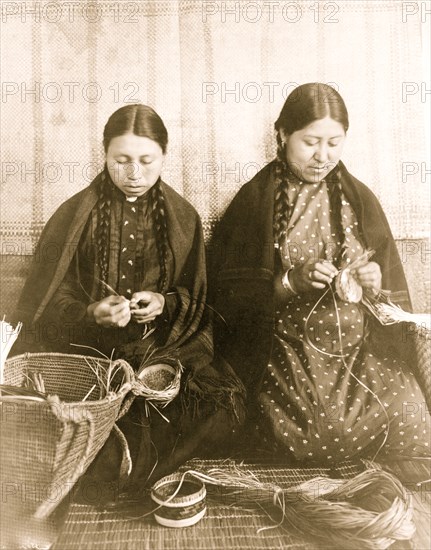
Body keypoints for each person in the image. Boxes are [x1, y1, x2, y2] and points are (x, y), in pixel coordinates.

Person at [12, 104, 245, 498]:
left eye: (146, 160)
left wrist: (164, 303)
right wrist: (91, 312)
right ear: (103, 156)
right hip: (87, 356)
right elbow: (49, 299)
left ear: (164, 157)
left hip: (162, 354)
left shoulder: (183, 217)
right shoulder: (73, 217)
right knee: (61, 415)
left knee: (226, 410)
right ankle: (126, 467)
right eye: (121, 160)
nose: (134, 173)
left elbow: (198, 299)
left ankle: (116, 465)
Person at [209, 83, 429, 463]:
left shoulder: (358, 198)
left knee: (412, 415)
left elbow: (391, 302)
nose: (322, 156)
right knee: (322, 433)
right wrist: (291, 282)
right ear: (282, 135)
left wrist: (374, 283)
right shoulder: (255, 201)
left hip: (360, 351)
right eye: (310, 142)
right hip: (288, 350)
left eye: (334, 143)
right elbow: (231, 304)